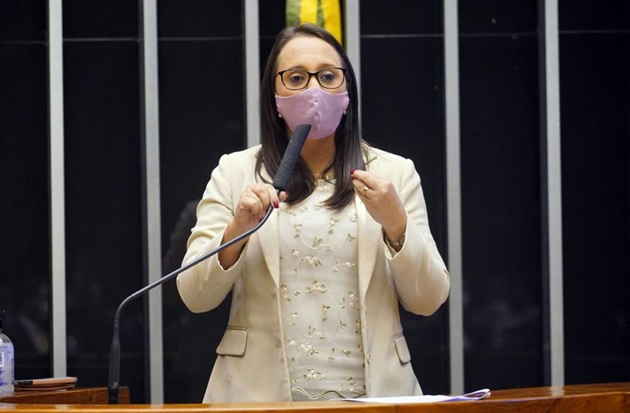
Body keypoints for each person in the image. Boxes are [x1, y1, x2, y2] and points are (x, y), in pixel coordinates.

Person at [177, 22, 450, 403]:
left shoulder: (393, 172)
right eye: (295, 78)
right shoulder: (235, 172)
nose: (313, 90)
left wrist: (396, 223)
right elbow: (195, 295)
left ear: (348, 91)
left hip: (376, 397)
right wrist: (237, 229)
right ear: (273, 95)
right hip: (256, 397)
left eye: (327, 76)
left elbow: (429, 298)